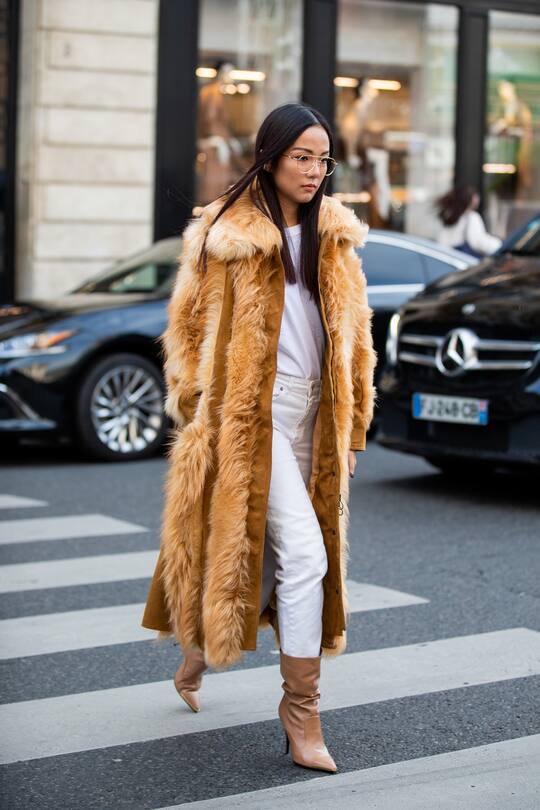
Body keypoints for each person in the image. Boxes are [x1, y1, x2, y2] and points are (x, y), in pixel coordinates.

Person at [141, 102, 377, 773]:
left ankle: (196, 649)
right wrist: (200, 414)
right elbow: (185, 331)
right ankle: (301, 715)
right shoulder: (224, 233)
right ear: (269, 156)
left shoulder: (336, 236)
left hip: (314, 422)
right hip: (251, 418)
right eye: (301, 155)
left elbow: (355, 343)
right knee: (305, 556)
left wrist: (352, 431)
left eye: (322, 158)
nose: (313, 169)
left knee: (263, 553)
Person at [436, 185, 502, 259]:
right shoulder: (471, 217)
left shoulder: (449, 215)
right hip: (465, 263)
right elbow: (478, 242)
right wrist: (499, 245)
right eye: (476, 195)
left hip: (448, 259)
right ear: (472, 199)